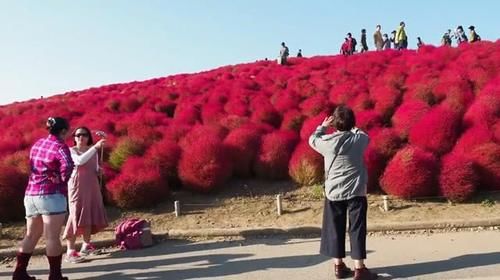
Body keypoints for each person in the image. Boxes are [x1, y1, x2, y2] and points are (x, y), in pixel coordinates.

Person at [309, 106, 377, 280]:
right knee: (357, 229)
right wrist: (352, 126)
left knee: (334, 228)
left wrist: (323, 126)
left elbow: (312, 139)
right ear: (352, 122)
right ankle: (359, 269)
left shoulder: (326, 142)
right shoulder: (359, 140)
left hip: (333, 192)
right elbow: (364, 135)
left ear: (334, 123)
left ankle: (338, 266)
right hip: (356, 192)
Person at [13, 117, 74, 280]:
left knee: (31, 235)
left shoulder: (38, 144)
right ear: (62, 131)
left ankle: (19, 273)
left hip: (31, 194)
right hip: (51, 195)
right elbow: (68, 165)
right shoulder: (61, 147)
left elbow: (32, 164)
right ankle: (55, 276)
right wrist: (61, 180)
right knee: (52, 237)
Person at [63, 127, 108, 263]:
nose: (80, 137)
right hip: (77, 186)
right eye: (78, 135)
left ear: (88, 137)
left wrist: (99, 171)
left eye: (84, 135)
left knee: (88, 212)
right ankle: (70, 250)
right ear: (74, 138)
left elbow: (94, 168)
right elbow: (79, 161)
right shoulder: (71, 151)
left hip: (91, 185)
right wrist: (95, 147)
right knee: (75, 214)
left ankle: (86, 245)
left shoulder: (93, 152)